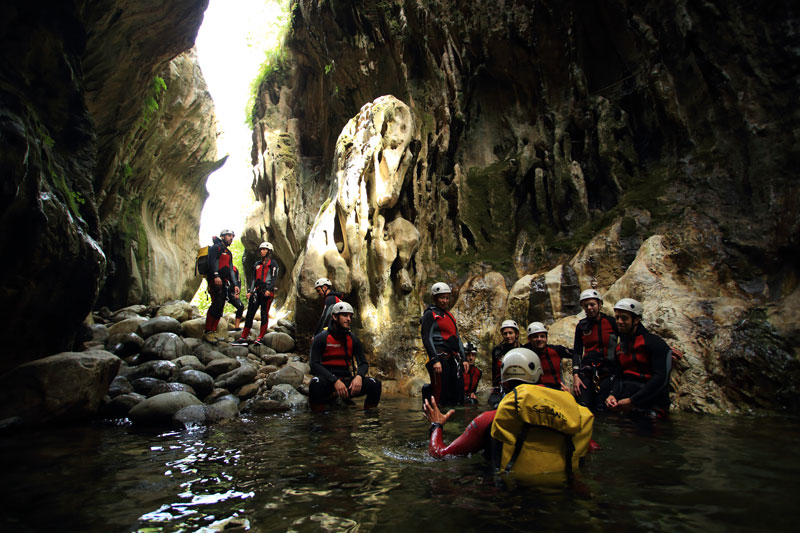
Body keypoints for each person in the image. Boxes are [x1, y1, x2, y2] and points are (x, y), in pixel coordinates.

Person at [424, 348, 595, 478]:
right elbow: (592, 448)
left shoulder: (490, 419)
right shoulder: (573, 416)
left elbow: (440, 454)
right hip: (562, 491)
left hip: (508, 497)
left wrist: (436, 425)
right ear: (540, 376)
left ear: (504, 383)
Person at [309, 301, 381, 412]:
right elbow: (314, 364)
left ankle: (370, 416)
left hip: (346, 382)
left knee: (375, 384)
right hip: (327, 381)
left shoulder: (353, 339)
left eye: (350, 316)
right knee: (315, 383)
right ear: (334, 317)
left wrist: (359, 377)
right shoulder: (321, 338)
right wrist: (334, 380)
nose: (348, 319)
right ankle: (319, 416)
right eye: (345, 315)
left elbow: (363, 363)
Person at [605, 298, 672, 419]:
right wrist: (612, 395)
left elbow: (661, 378)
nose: (619, 321)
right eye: (617, 318)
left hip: (651, 404)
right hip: (627, 401)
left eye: (624, 318)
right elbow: (619, 377)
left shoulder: (655, 343)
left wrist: (633, 401)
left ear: (636, 320)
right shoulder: (619, 347)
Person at [572, 289, 619, 412]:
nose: (589, 308)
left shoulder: (612, 322)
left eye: (592, 304)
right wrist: (576, 375)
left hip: (607, 372)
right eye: (586, 306)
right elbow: (577, 351)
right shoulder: (581, 326)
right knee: (582, 406)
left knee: (602, 408)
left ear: (599, 304)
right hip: (587, 373)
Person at [420, 282, 466, 406]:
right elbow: (426, 338)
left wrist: (464, 359)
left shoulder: (449, 315)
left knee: (457, 395)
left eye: (447, 298)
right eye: (442, 298)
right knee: (441, 394)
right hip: (440, 359)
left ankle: (455, 416)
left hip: (453, 359)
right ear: (435, 298)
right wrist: (435, 360)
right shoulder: (430, 314)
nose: (445, 301)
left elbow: (457, 338)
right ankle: (437, 414)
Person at [231, 242, 279, 346]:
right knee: (250, 313)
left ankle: (261, 337)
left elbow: (274, 278)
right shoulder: (257, 264)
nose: (262, 251)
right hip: (257, 291)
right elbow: (254, 279)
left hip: (267, 292)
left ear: (269, 251)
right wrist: (250, 291)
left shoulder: (273, 263)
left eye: (264, 249)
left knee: (264, 314)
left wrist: (269, 290)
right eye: (261, 249)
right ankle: (243, 337)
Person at [203, 229, 236, 344]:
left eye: (232, 236)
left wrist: (234, 284)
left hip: (224, 282)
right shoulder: (215, 248)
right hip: (215, 280)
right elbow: (211, 262)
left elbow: (231, 269)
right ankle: (208, 332)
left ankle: (213, 331)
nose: (231, 238)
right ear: (222, 236)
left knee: (220, 305)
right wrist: (216, 275)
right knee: (216, 304)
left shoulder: (228, 252)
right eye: (228, 236)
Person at [522, 322, 571, 390]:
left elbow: (576, 354)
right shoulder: (523, 353)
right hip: (534, 391)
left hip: (556, 390)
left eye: (542, 336)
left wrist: (576, 373)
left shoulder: (556, 350)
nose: (539, 339)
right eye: (535, 336)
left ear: (546, 338)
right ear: (529, 339)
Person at [489, 319, 520, 407]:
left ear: (516, 334)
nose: (508, 336)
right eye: (505, 334)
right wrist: (494, 386)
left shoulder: (522, 349)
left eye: (510, 333)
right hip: (501, 386)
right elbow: (494, 370)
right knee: (494, 403)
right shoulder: (497, 351)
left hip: (518, 385)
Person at [226, 265, 244, 331]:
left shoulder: (234, 269)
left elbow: (238, 281)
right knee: (218, 307)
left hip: (232, 292)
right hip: (223, 291)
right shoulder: (221, 267)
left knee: (240, 306)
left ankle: (236, 326)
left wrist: (237, 293)